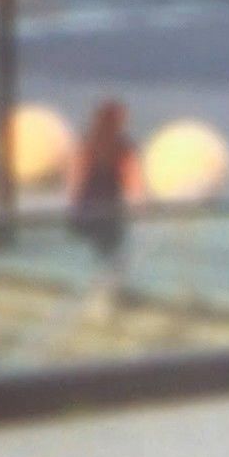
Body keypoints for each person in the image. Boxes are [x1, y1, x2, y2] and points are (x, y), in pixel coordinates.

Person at [66, 99, 145, 319]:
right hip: (110, 210)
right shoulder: (123, 148)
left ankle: (92, 297)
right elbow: (132, 181)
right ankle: (103, 300)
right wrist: (139, 208)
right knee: (114, 256)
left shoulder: (87, 143)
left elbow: (76, 178)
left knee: (97, 255)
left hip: (88, 207)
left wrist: (73, 208)